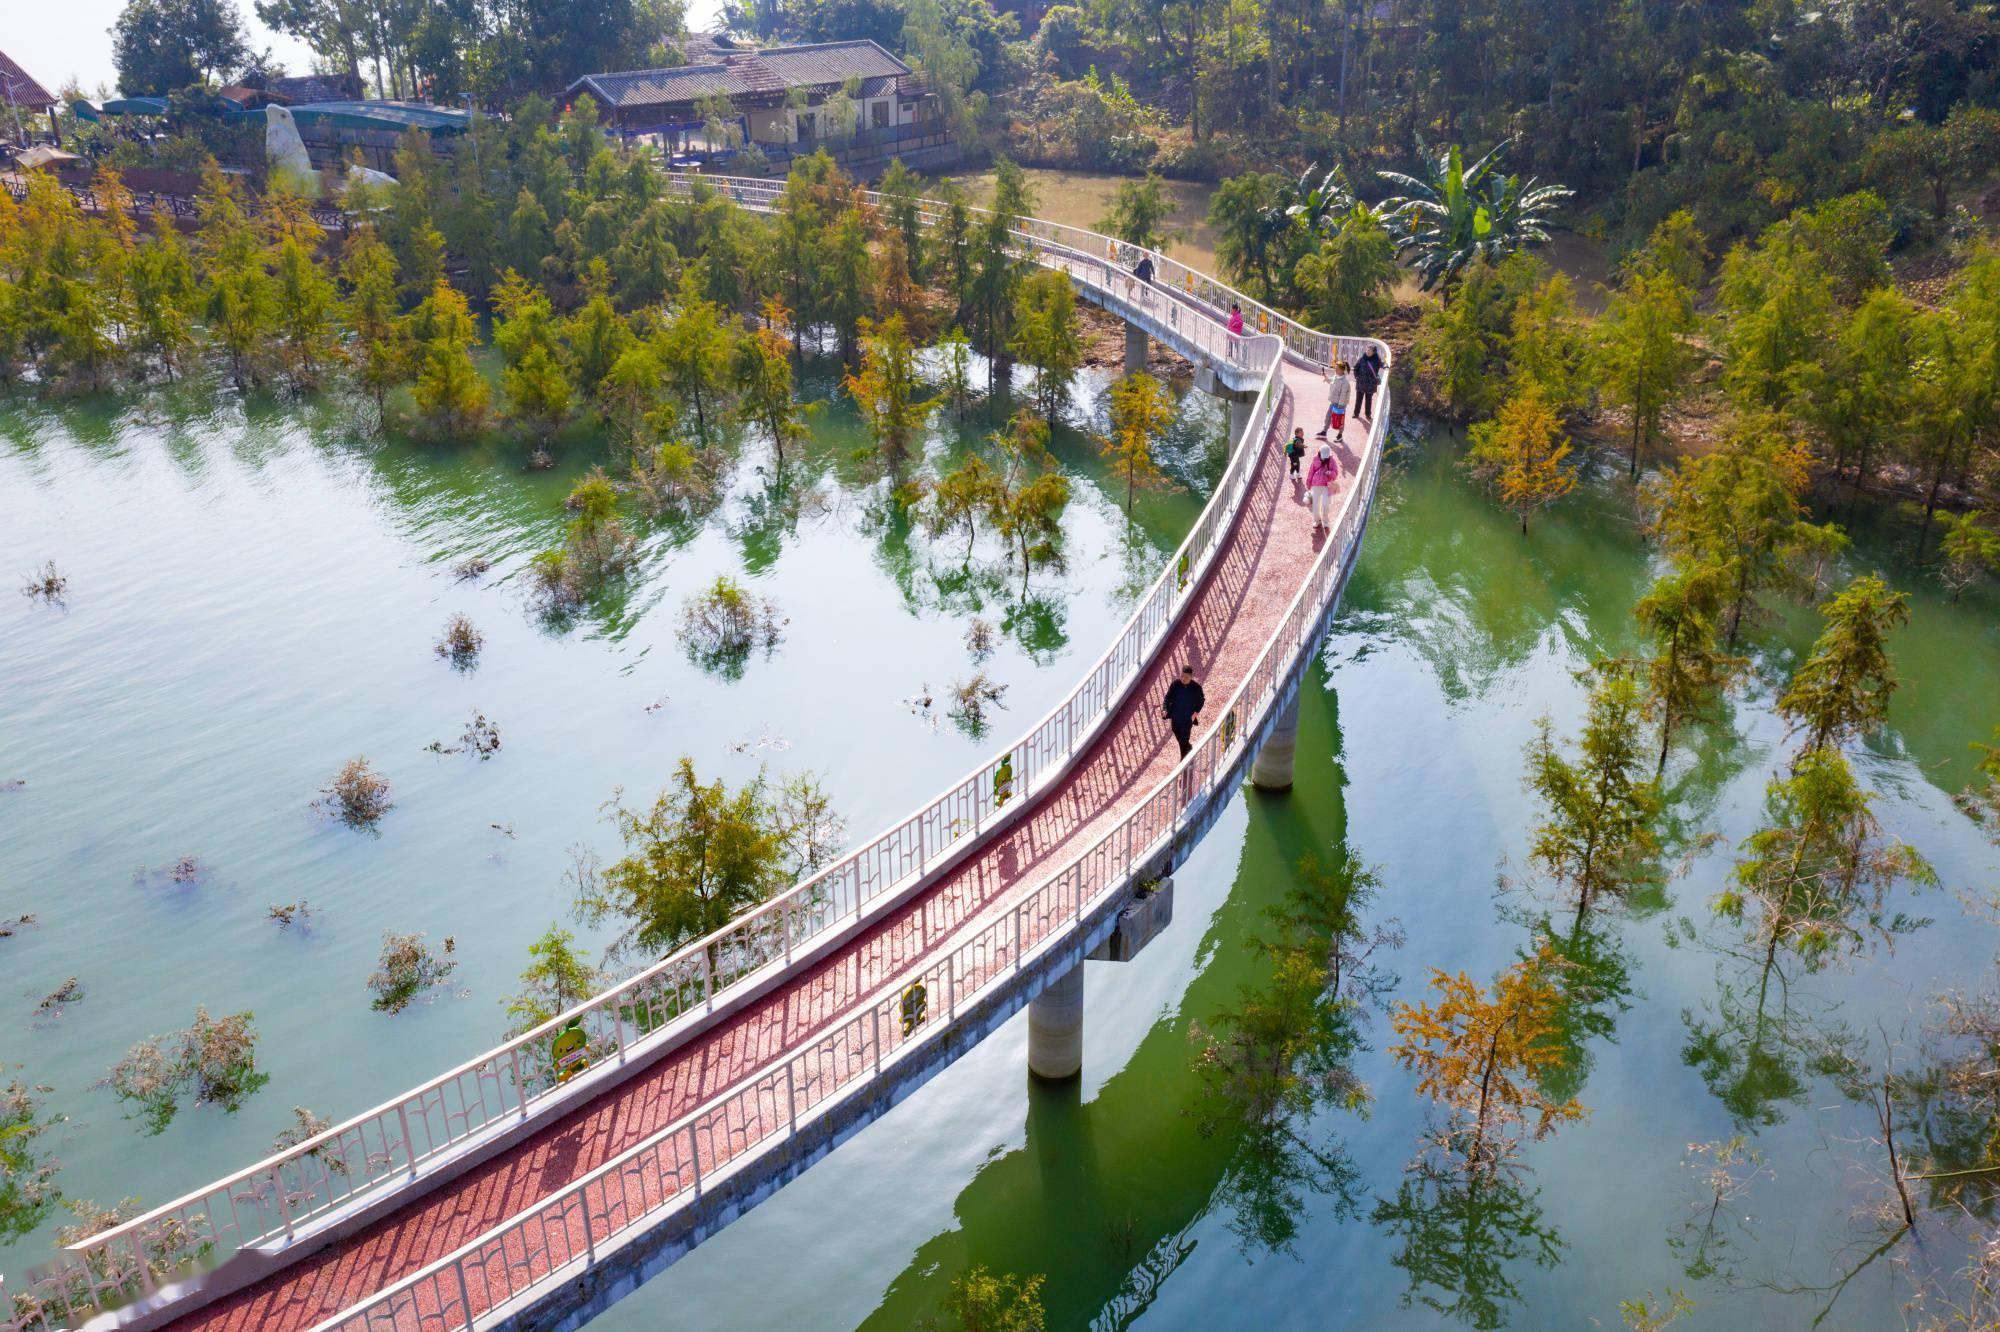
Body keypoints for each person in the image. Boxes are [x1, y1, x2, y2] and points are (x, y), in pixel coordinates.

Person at [1163, 663, 1206, 759]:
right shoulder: (1175, 684)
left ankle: (1183, 760)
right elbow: (1167, 698)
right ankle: (1188, 747)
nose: (1183, 679)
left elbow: (1201, 700)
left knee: (1183, 739)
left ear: (1191, 677)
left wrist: (1195, 713)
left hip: (1188, 718)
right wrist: (1165, 709)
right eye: (1182, 676)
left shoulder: (1196, 688)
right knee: (1176, 731)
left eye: (1186, 677)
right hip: (1176, 716)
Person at [1305, 440, 1338, 531]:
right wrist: (1308, 483)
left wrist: (1330, 473)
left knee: (1325, 505)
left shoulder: (1332, 461)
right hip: (1316, 484)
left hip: (1327, 485)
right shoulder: (1315, 459)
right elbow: (1311, 471)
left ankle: (1326, 521)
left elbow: (1335, 473)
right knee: (1315, 504)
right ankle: (1317, 520)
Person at [1353, 345, 1383, 423]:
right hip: (1361, 383)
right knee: (1358, 400)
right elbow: (1356, 368)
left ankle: (1368, 414)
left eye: (1370, 350)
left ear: (1374, 352)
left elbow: (1382, 364)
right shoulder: (1362, 359)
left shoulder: (1376, 360)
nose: (1368, 352)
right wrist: (1356, 377)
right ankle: (1356, 413)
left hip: (1370, 384)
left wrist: (1385, 366)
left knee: (1368, 400)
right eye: (1367, 350)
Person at [1324, 360, 1352, 440]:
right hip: (1333, 402)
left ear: (1342, 370)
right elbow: (1331, 381)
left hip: (1340, 404)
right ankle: (1324, 431)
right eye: (1335, 368)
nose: (1335, 370)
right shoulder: (1336, 377)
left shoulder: (1345, 382)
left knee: (1340, 420)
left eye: (1337, 369)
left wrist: (1340, 406)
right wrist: (1326, 378)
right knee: (1328, 417)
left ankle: (1340, 435)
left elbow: (1343, 395)